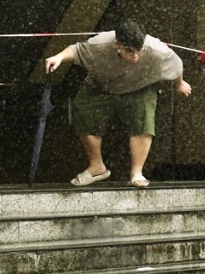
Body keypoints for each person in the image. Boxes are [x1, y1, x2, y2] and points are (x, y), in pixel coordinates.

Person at [44, 19, 192, 188]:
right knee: (83, 113)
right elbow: (76, 50)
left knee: (143, 121)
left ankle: (137, 173)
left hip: (141, 85)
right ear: (117, 44)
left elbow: (177, 64)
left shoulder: (157, 49)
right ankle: (97, 166)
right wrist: (59, 57)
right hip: (101, 83)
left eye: (139, 50)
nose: (135, 56)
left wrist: (180, 83)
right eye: (129, 51)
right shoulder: (100, 43)